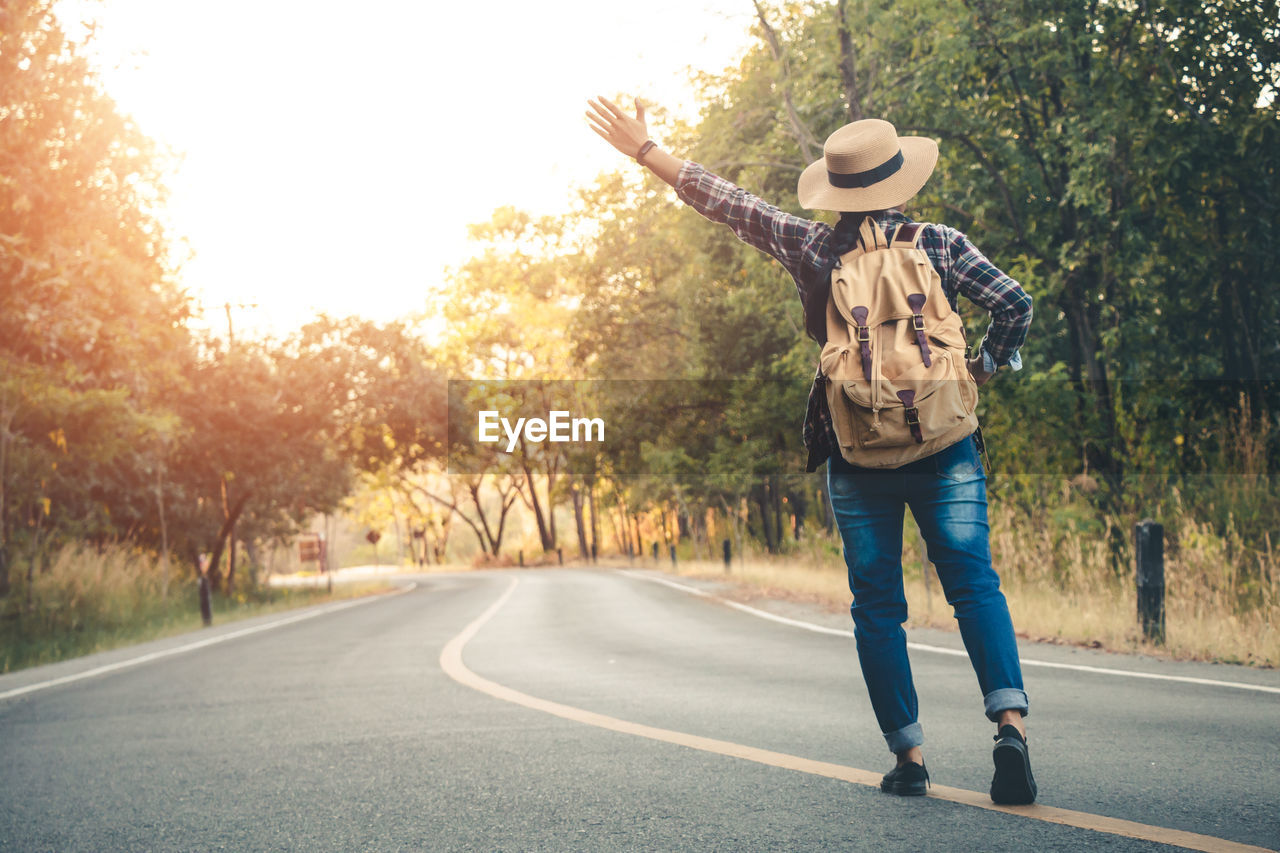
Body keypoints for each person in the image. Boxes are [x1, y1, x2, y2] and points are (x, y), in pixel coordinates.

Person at [586, 96, 1037, 805]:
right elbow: (1016, 304)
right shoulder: (940, 243)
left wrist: (647, 150)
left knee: (877, 602)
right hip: (947, 444)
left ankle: (911, 756)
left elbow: (728, 202)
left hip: (855, 449)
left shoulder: (811, 247)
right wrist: (980, 369)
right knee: (974, 583)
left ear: (837, 189)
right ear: (899, 180)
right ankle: (1009, 727)